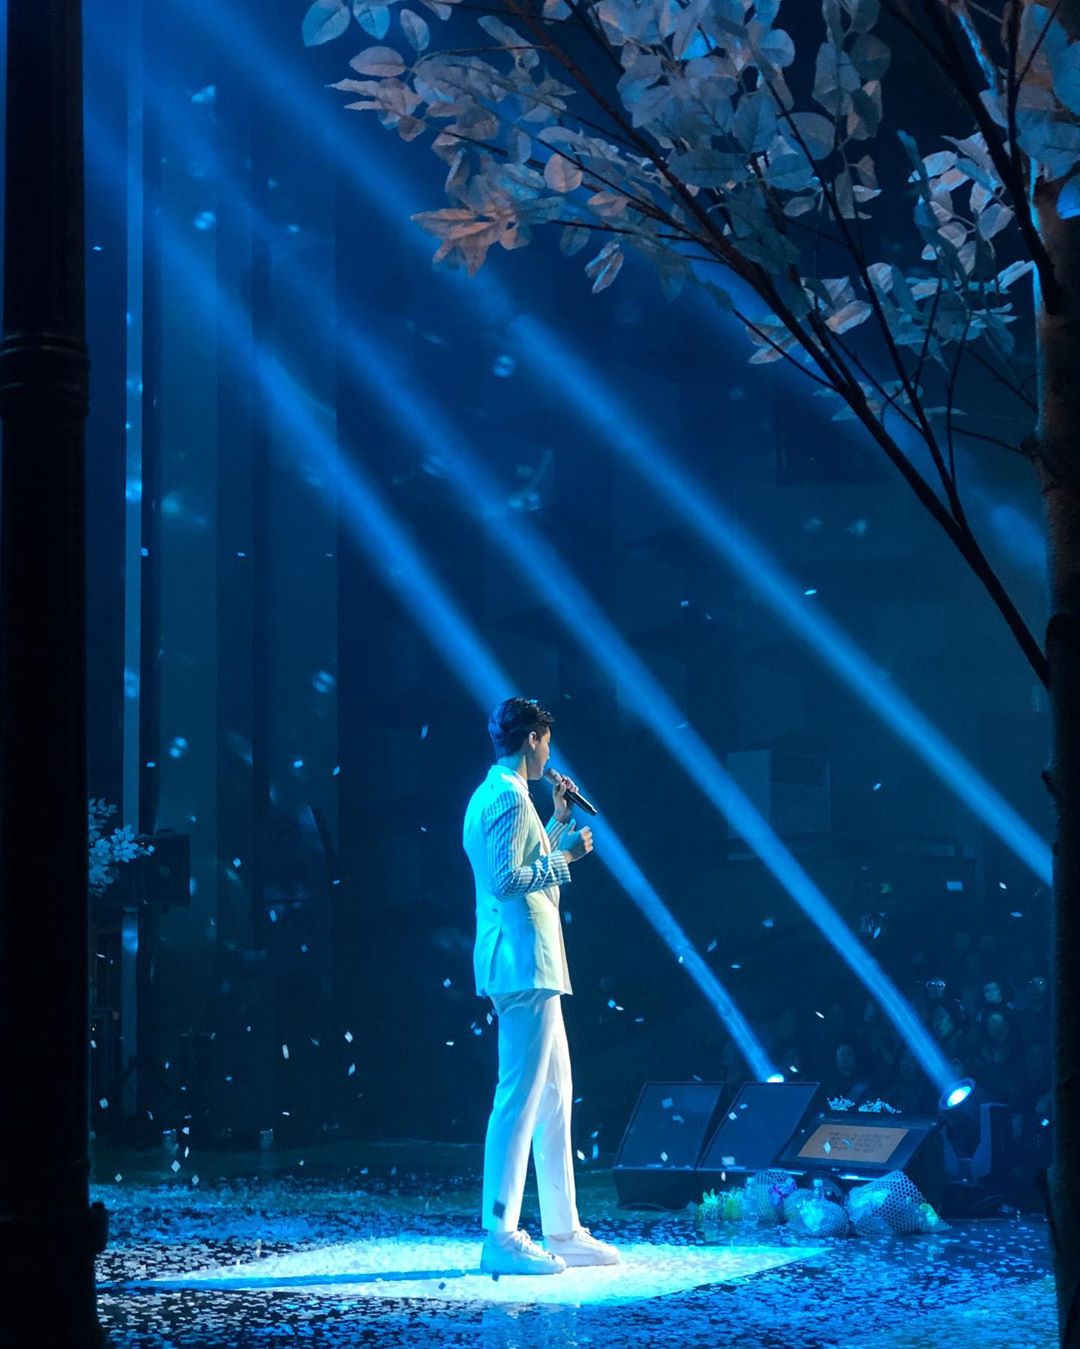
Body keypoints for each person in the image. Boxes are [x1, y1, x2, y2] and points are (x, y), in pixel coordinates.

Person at [463, 697, 620, 1276]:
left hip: (532, 966)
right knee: (519, 1099)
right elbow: (508, 881)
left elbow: (521, 863)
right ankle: (500, 1234)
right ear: (532, 739)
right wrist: (569, 854)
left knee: (554, 1098)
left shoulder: (499, 795)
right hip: (522, 964)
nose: (550, 755)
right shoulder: (506, 796)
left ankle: (563, 1229)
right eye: (547, 743)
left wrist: (555, 822)